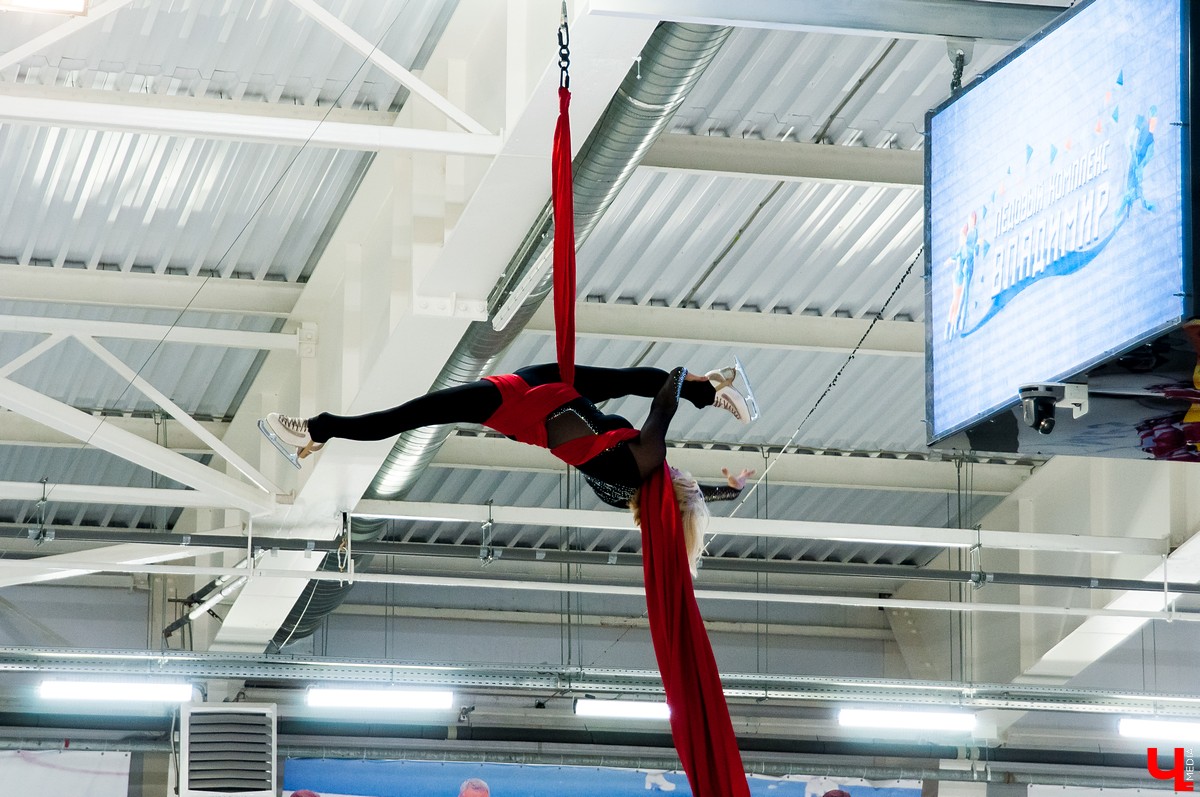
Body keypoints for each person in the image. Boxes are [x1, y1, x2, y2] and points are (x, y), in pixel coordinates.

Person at [260, 362, 758, 572]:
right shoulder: (622, 491)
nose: (686, 478)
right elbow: (685, 497)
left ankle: (316, 430)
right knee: (623, 379)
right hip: (545, 405)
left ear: (671, 491)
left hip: (524, 403)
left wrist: (681, 374)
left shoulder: (647, 461)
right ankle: (710, 387)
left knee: (408, 415)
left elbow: (661, 403)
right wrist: (725, 491)